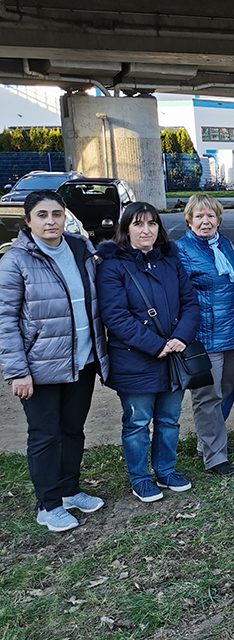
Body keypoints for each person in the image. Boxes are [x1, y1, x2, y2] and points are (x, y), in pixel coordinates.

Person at [0, 191, 109, 531]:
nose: (51, 221)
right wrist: (18, 371)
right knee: (45, 435)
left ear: (65, 218)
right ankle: (48, 504)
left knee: (73, 430)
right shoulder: (16, 261)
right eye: (42, 215)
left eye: (57, 214)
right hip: (40, 367)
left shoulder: (79, 248)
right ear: (28, 221)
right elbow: (5, 319)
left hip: (82, 360)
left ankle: (69, 490)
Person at [98, 202, 201, 503]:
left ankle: (166, 470)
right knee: (138, 423)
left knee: (170, 419)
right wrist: (156, 345)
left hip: (174, 355)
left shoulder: (171, 259)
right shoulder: (113, 266)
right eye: (138, 224)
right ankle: (140, 478)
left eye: (152, 223)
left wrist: (181, 337)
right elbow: (115, 317)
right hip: (135, 359)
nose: (147, 230)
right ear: (126, 229)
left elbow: (190, 303)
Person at [175, 194, 234, 477]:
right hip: (205, 336)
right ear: (189, 220)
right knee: (208, 397)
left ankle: (208, 442)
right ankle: (216, 457)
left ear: (218, 219)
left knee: (226, 391)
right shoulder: (181, 250)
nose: (206, 221)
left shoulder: (224, 244)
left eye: (211, 216)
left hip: (231, 333)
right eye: (199, 216)